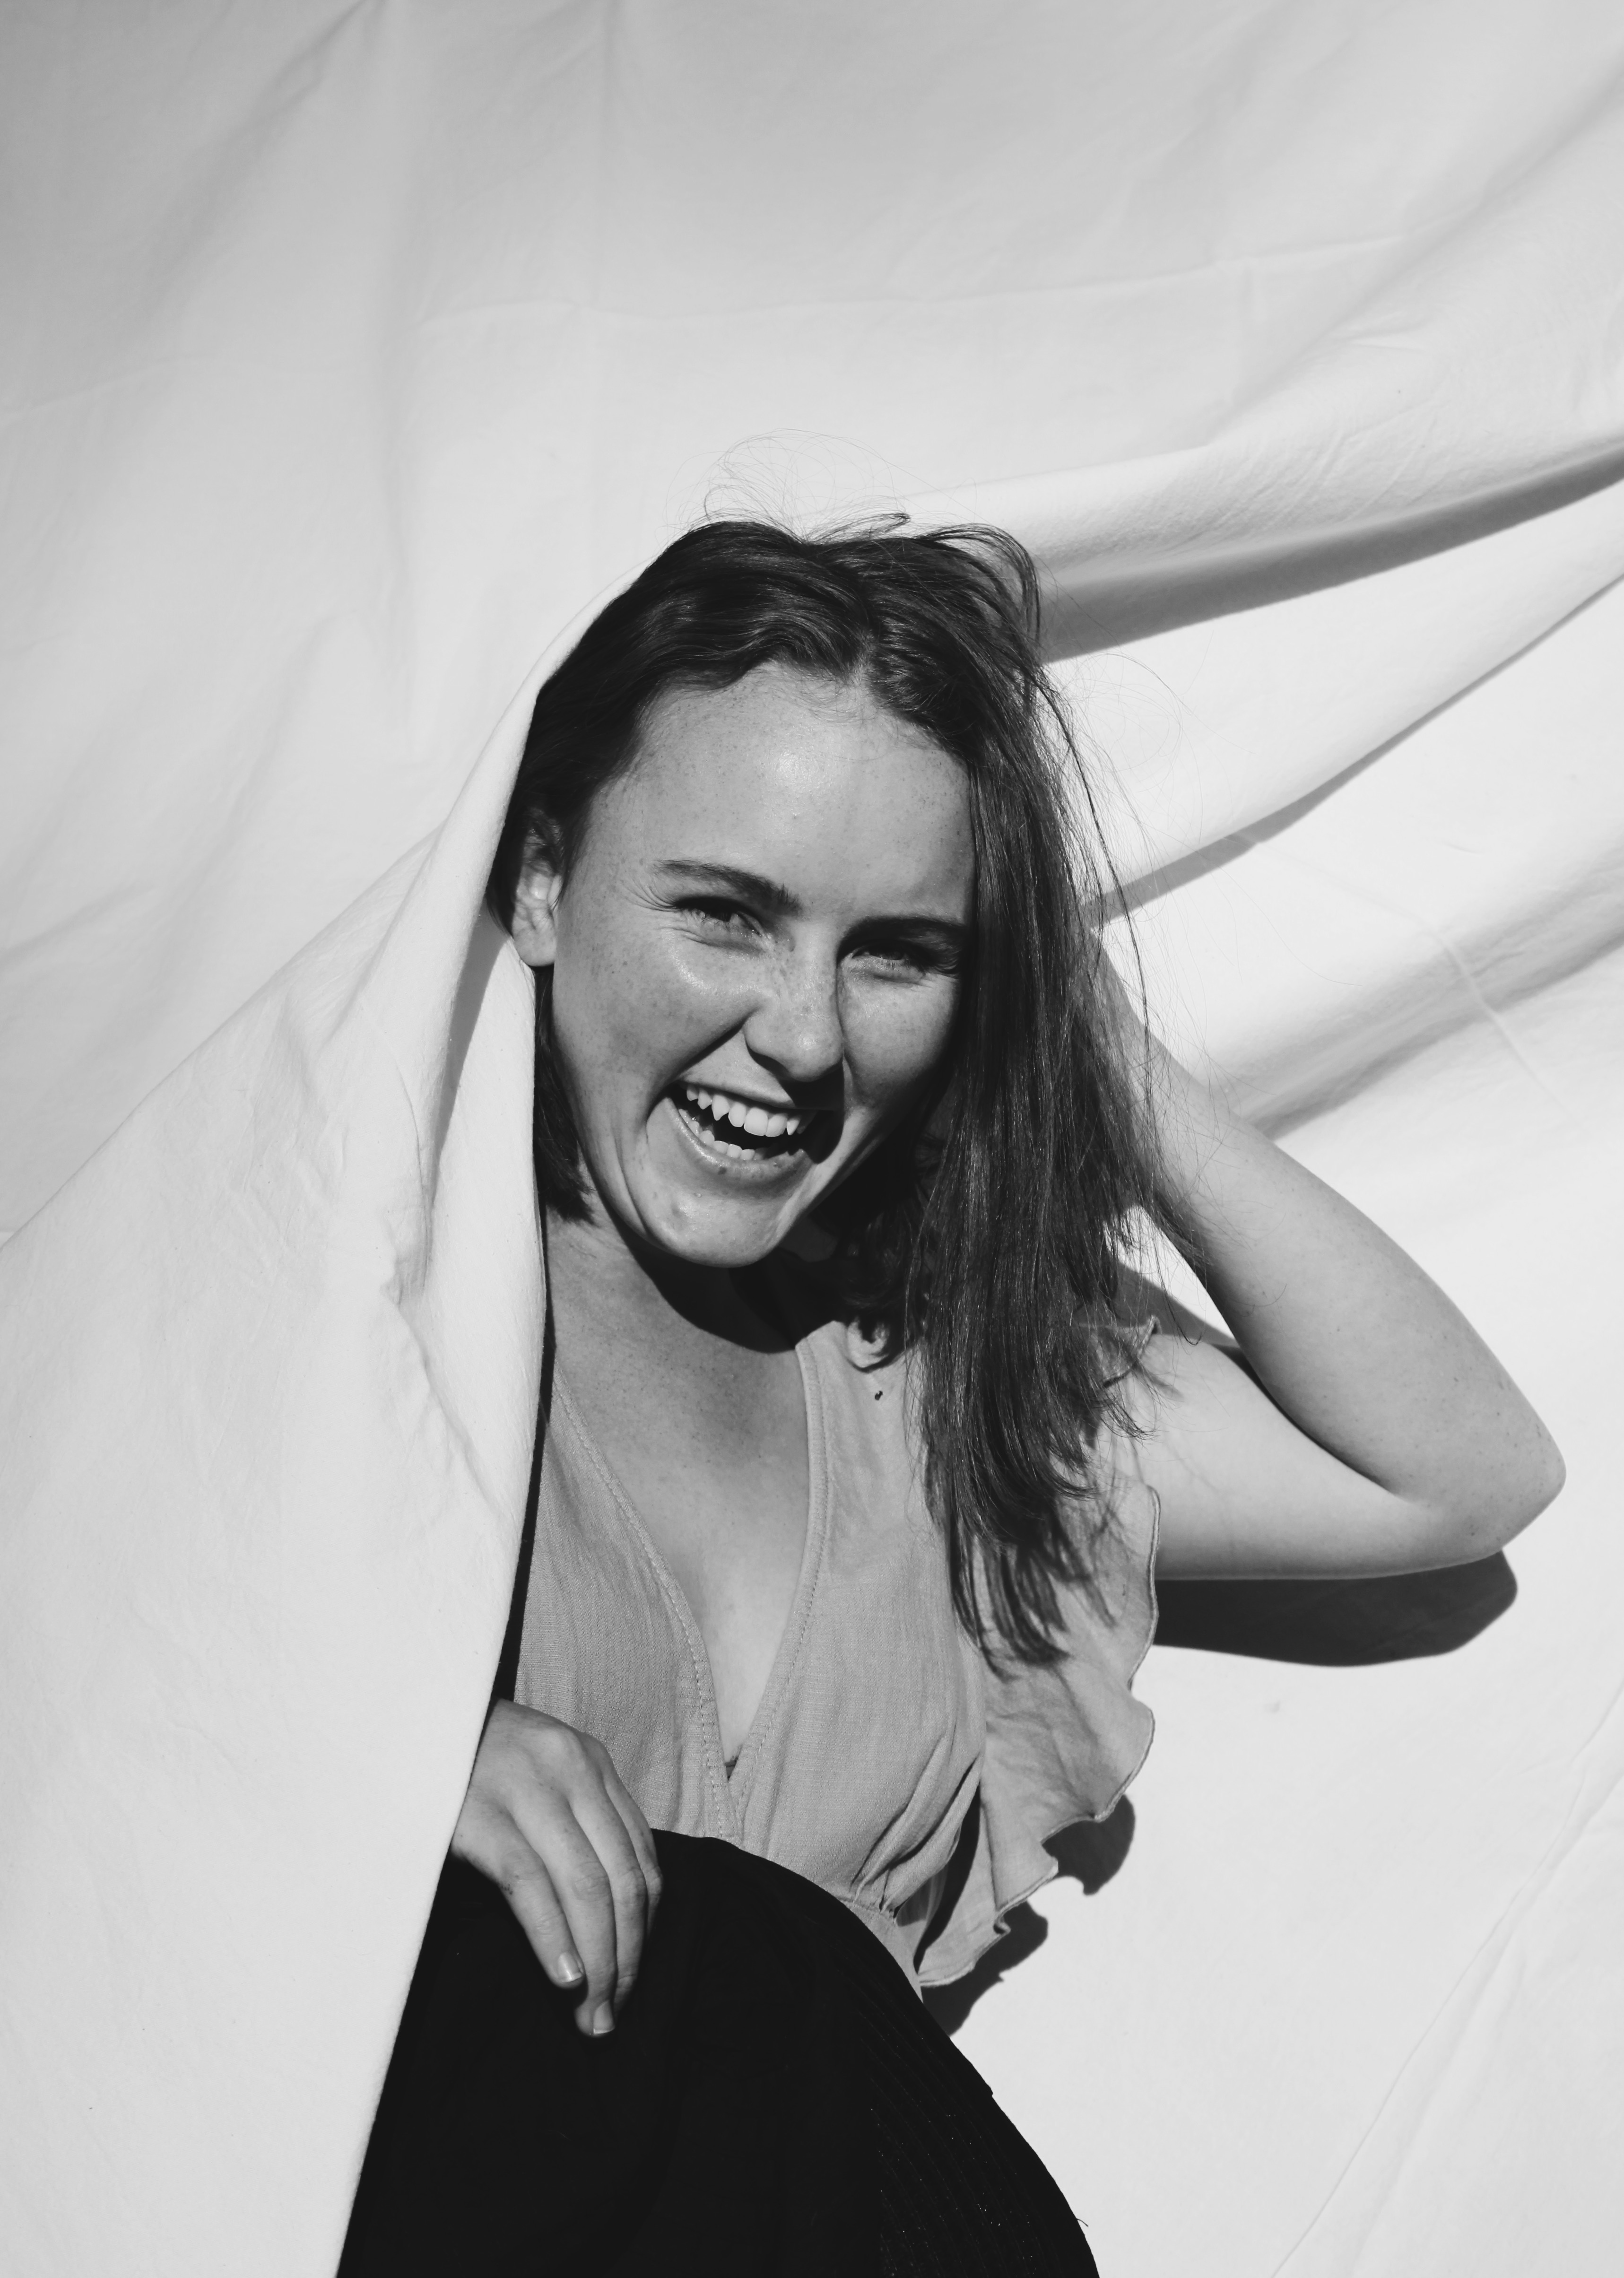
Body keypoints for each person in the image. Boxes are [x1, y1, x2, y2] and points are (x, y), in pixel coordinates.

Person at [341, 519, 1563, 2274]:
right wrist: (362, 1738)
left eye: (897, 951)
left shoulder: (927, 1386)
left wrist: (1071, 1034)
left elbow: (1453, 1473)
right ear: (541, 877)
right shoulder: (355, 1309)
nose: (803, 1034)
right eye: (725, 913)